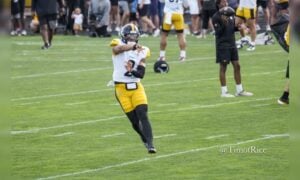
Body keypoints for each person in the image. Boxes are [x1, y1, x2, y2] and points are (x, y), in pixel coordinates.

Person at [110, 23, 156, 153]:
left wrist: (132, 71)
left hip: (136, 87)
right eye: (130, 36)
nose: (133, 39)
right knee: (135, 122)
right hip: (121, 89)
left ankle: (151, 144)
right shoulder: (117, 42)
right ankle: (144, 138)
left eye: (135, 37)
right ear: (124, 36)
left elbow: (141, 72)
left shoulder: (142, 49)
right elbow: (118, 49)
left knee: (143, 114)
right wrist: (132, 46)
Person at [213, 0, 253, 97]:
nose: (226, 3)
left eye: (226, 1)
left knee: (237, 66)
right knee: (223, 67)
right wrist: (224, 22)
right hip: (222, 45)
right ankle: (224, 92)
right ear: (219, 4)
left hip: (232, 44)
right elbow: (218, 32)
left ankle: (239, 90)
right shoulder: (216, 17)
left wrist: (238, 28)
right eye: (223, 2)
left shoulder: (230, 14)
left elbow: (231, 28)